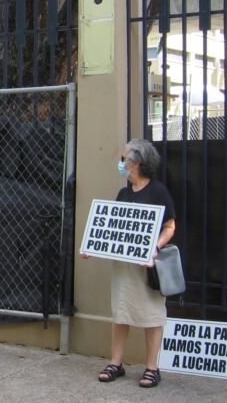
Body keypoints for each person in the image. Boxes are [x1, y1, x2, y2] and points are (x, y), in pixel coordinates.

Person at [81, 139, 176, 388]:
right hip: (124, 269)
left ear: (136, 163)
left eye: (124, 159)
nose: (121, 163)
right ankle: (116, 362)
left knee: (151, 316)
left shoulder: (158, 192)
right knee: (121, 314)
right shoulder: (123, 194)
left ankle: (152, 367)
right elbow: (111, 229)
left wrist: (155, 247)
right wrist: (92, 246)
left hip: (147, 269)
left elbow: (170, 226)